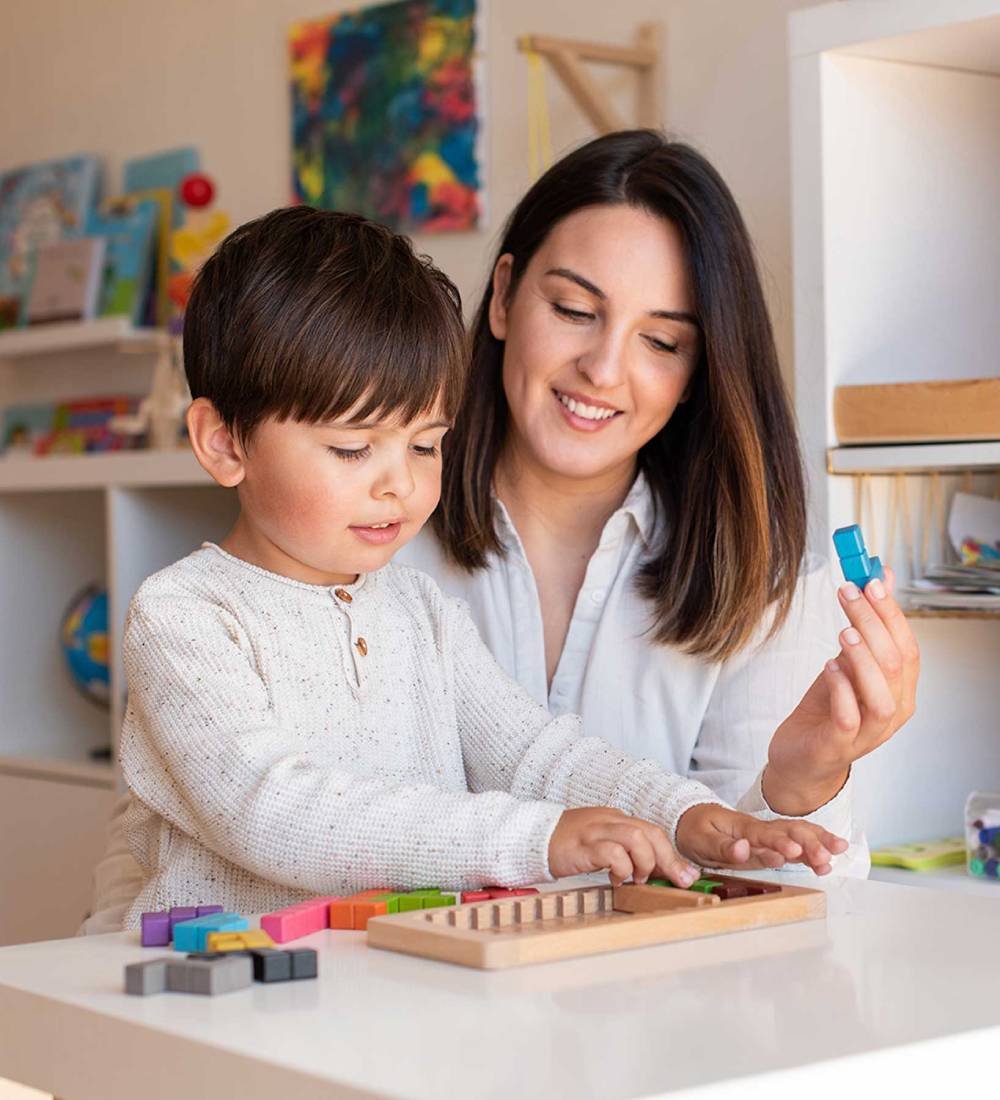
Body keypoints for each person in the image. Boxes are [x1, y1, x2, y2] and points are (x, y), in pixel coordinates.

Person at [83, 206, 845, 932]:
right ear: (223, 443)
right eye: (353, 449)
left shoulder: (417, 609)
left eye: (425, 445)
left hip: (390, 989)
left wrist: (678, 812)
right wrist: (535, 839)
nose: (400, 484)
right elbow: (276, 812)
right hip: (220, 1011)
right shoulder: (186, 615)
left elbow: (534, 752)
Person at [399, 131, 920, 876]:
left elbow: (781, 930)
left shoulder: (759, 580)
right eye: (575, 309)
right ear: (507, 295)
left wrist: (801, 784)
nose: (603, 369)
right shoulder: (375, 532)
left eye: (662, 342)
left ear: (697, 370)